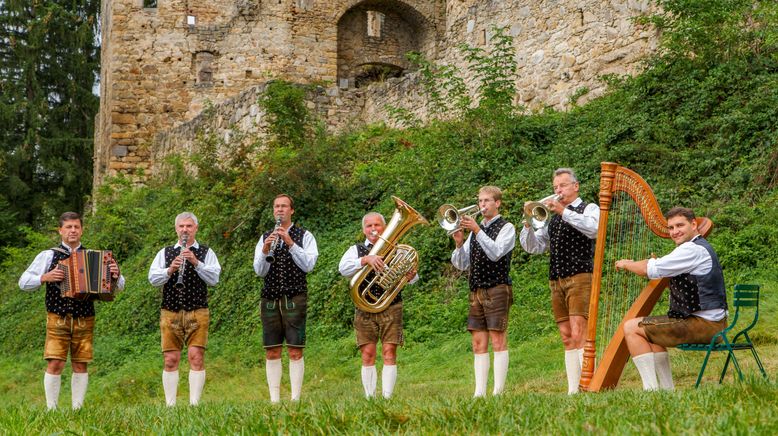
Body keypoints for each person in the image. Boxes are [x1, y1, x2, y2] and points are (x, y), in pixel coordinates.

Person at [18, 212, 125, 410]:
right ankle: (52, 410)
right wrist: (44, 277)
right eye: (68, 227)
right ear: (60, 230)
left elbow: (118, 288)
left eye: (76, 227)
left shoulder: (95, 256)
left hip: (85, 317)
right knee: (55, 363)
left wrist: (115, 276)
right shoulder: (48, 255)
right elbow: (23, 282)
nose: (73, 230)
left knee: (81, 363)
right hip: (57, 316)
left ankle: (78, 409)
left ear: (82, 230)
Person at [616, 207, 727, 391]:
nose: (675, 231)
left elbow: (649, 270)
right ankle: (667, 390)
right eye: (671, 227)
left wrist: (627, 264)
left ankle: (650, 390)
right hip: (709, 322)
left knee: (631, 328)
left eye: (680, 225)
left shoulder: (692, 250)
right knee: (653, 333)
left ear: (694, 224)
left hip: (706, 325)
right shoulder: (694, 248)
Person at [519, 168, 599, 394]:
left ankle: (588, 385)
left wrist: (564, 211)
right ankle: (574, 389)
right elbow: (534, 247)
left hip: (580, 276)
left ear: (576, 186)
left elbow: (594, 229)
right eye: (555, 187)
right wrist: (528, 222)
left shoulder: (589, 208)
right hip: (556, 280)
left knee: (579, 331)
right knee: (566, 336)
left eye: (562, 186)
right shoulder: (551, 218)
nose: (558, 191)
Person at [338, 212, 418, 399]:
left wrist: (411, 276)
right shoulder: (356, 250)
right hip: (365, 308)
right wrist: (365, 260)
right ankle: (370, 398)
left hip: (391, 306)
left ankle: (388, 397)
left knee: (389, 351)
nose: (373, 229)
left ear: (384, 227)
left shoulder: (397, 249)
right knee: (368, 353)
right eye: (369, 226)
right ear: (363, 230)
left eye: (377, 225)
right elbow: (343, 268)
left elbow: (414, 279)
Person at [148, 212, 221, 406]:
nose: (185, 230)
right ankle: (170, 405)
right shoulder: (165, 253)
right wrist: (170, 270)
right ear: (176, 229)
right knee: (170, 359)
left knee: (196, 356)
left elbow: (214, 279)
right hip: (170, 311)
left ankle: (194, 405)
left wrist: (196, 263)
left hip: (198, 311)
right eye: (181, 226)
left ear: (195, 228)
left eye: (189, 226)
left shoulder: (206, 252)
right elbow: (153, 279)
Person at [451, 186, 515, 397]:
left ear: (497, 203)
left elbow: (496, 253)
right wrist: (460, 243)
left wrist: (477, 231)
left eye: (487, 201)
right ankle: (479, 392)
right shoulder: (474, 233)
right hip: (476, 290)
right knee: (478, 342)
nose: (482, 205)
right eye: (480, 201)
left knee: (498, 339)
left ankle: (499, 391)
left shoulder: (507, 228)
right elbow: (461, 264)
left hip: (497, 287)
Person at [253, 194, 318, 403]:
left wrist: (290, 243)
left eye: (284, 206)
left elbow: (309, 265)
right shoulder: (265, 237)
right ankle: (274, 400)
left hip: (295, 296)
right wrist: (265, 251)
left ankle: (295, 399)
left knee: (295, 349)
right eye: (276, 206)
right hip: (270, 297)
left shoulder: (304, 236)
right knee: (271, 349)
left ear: (292, 211)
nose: (280, 210)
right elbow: (259, 271)